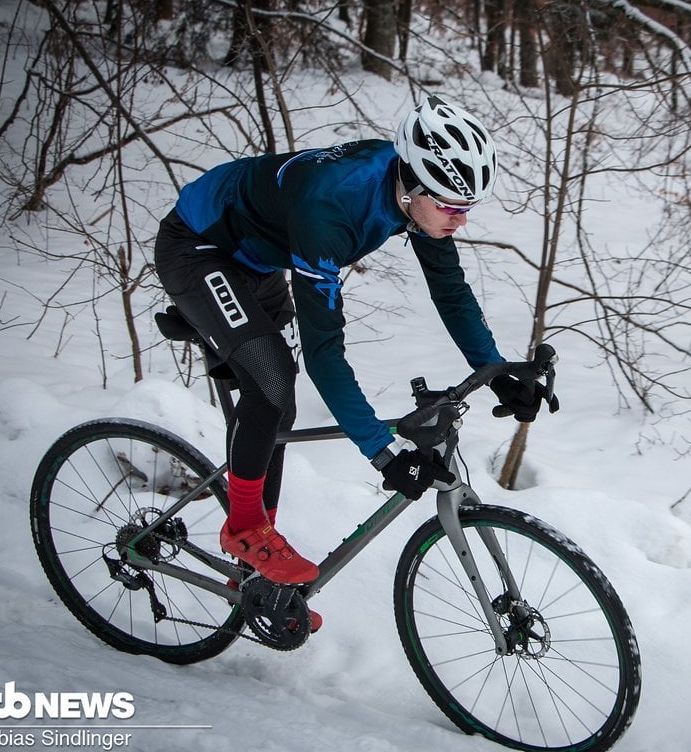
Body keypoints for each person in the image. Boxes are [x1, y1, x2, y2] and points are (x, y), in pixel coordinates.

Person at [153, 96, 554, 606]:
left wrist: (495, 371)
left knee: (277, 408)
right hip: (199, 247)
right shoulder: (331, 209)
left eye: (467, 208)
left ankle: (255, 583)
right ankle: (245, 527)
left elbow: (450, 292)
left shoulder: (416, 196)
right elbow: (325, 351)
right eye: (452, 208)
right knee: (272, 380)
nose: (461, 221)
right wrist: (383, 454)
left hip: (257, 256)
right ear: (412, 185)